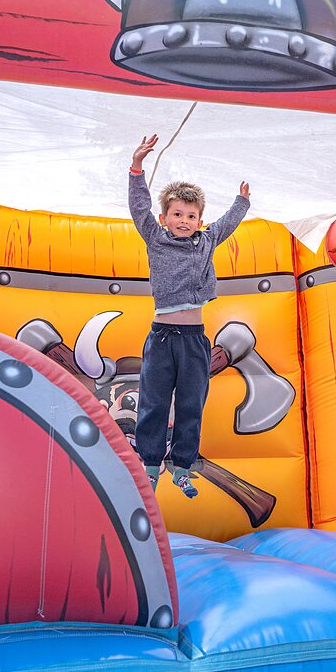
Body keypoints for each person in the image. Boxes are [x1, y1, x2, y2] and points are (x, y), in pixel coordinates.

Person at [128, 134, 250, 497]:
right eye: (177, 214)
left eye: (191, 216)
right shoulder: (155, 238)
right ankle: (150, 463)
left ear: (200, 220)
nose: (184, 220)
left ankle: (182, 465)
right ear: (164, 218)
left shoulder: (207, 240)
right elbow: (139, 209)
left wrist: (241, 201)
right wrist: (137, 169)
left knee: (191, 402)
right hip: (163, 335)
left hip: (195, 339)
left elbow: (227, 223)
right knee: (154, 400)